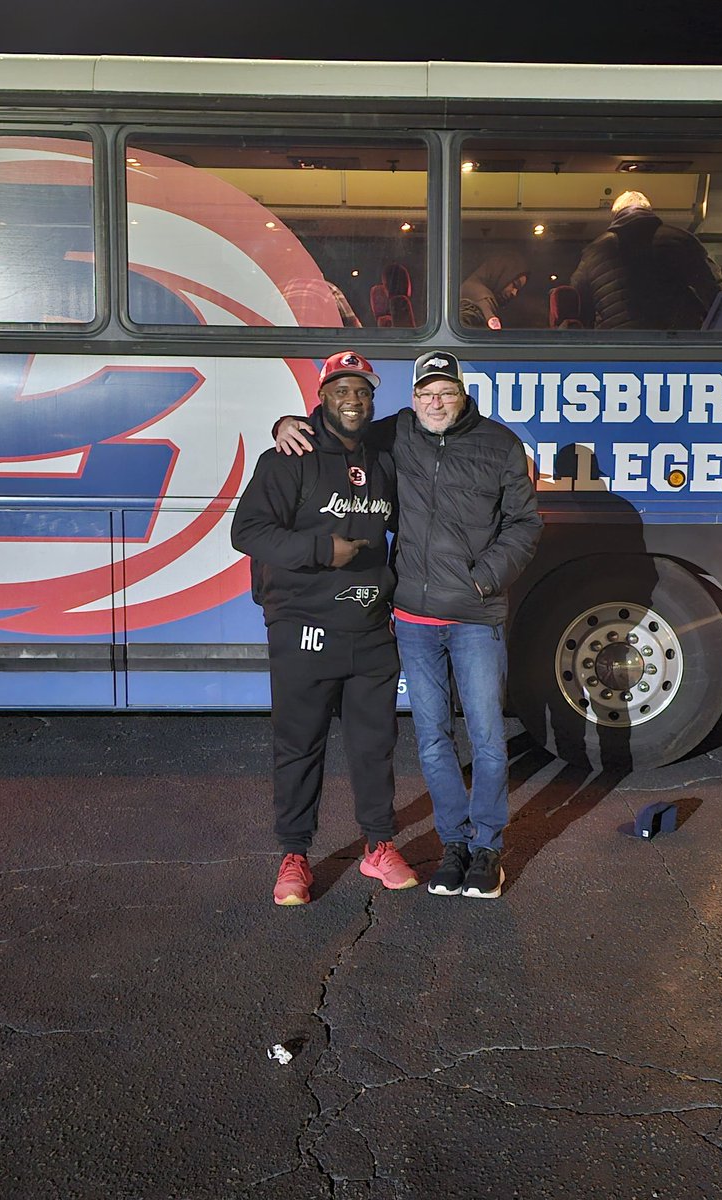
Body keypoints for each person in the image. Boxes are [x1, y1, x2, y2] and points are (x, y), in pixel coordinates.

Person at [274, 351, 543, 900]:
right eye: (425, 394)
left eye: (444, 392)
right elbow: (338, 422)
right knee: (433, 741)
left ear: (462, 394)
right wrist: (286, 424)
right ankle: (455, 845)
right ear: (413, 398)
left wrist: (484, 581)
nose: (434, 402)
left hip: (474, 616)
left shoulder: (500, 445)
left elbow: (523, 524)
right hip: (414, 619)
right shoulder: (396, 431)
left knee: (489, 738)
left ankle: (488, 847)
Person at [231, 350, 418, 906]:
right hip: (304, 628)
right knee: (299, 745)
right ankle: (294, 855)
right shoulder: (287, 458)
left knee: (374, 746)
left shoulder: (385, 457)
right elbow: (248, 531)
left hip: (369, 628)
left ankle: (378, 846)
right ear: (322, 396)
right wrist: (320, 549)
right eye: (341, 390)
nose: (353, 400)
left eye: (361, 390)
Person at [570, 189, 722, 331]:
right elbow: (714, 290)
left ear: (614, 216)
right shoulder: (681, 240)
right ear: (649, 211)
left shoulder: (592, 253)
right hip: (672, 344)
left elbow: (577, 303)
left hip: (616, 345)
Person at [460, 252, 528, 330]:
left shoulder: (468, 285)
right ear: (502, 274)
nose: (514, 293)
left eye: (518, 290)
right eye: (515, 285)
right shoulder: (485, 301)